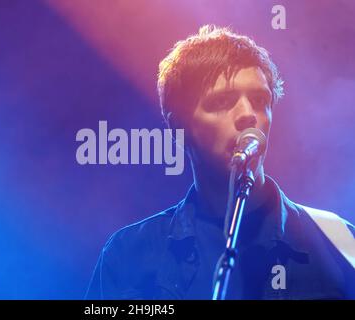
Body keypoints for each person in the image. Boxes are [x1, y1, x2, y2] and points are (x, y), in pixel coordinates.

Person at [85, 25, 355, 300]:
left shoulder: (340, 240)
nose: (248, 114)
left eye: (260, 100)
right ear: (180, 128)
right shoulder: (131, 253)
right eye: (223, 102)